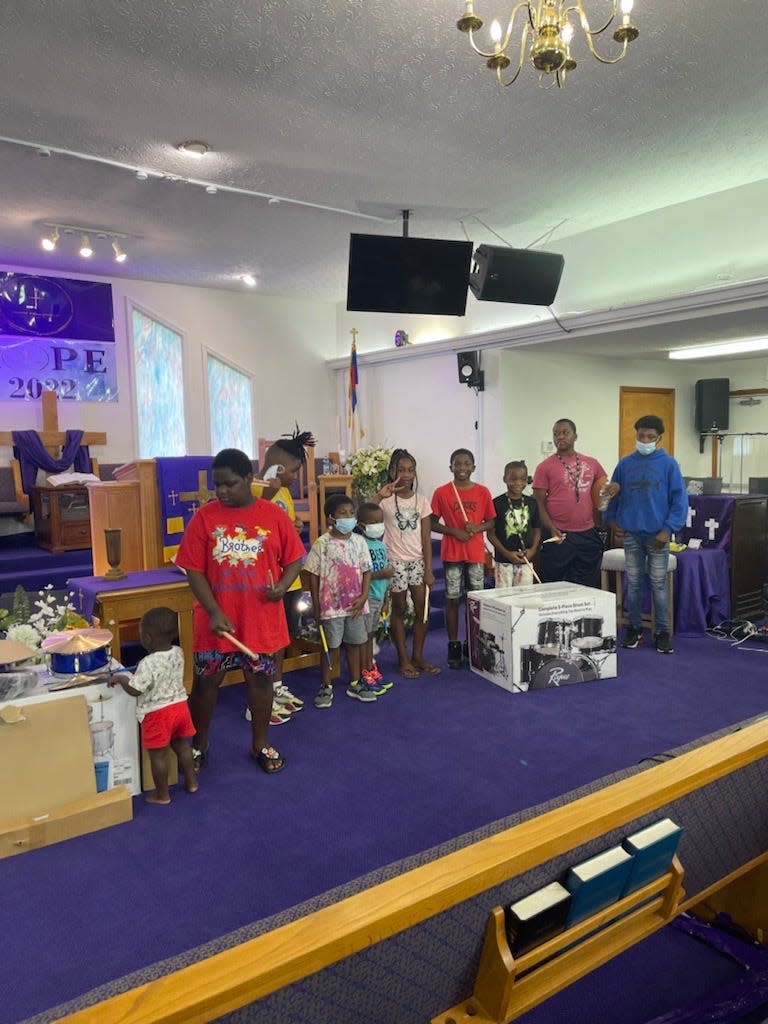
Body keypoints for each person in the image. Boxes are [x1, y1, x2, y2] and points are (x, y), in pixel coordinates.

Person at [175, 448, 305, 775]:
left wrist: (282, 586)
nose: (221, 492)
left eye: (230, 484)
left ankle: (260, 743)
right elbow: (193, 569)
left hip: (260, 620)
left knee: (261, 683)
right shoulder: (205, 517)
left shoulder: (273, 515)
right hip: (215, 621)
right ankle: (199, 744)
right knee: (206, 685)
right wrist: (213, 610)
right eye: (218, 485)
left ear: (249, 479)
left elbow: (294, 558)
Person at [603, 415, 687, 654]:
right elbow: (612, 493)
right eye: (642, 435)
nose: (646, 440)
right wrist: (611, 521)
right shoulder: (625, 464)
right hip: (632, 534)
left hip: (658, 536)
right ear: (636, 435)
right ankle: (634, 628)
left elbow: (679, 501)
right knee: (635, 584)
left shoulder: (669, 464)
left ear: (659, 439)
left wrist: (667, 529)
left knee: (659, 585)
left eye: (651, 437)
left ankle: (661, 632)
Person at [250, 425, 316, 725]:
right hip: (267, 579)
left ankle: (276, 687)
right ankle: (258, 699)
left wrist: (295, 527)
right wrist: (271, 487)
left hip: (289, 576)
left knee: (281, 637)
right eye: (292, 471)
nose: (294, 476)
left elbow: (282, 524)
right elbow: (253, 519)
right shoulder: (254, 489)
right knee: (264, 641)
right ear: (276, 467)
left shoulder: (286, 493)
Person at [109, 606, 197, 805]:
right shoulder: (178, 652)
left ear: (147, 637)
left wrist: (121, 679)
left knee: (158, 755)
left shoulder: (147, 663)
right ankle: (192, 782)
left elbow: (135, 690)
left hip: (158, 713)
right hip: (181, 707)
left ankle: (162, 795)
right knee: (183, 747)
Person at [373, 448, 439, 678]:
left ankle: (418, 655)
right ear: (392, 472)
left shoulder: (422, 501)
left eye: (410, 470)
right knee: (399, 609)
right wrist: (379, 496)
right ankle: (403, 658)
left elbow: (427, 540)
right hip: (396, 562)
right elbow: (365, 516)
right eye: (401, 470)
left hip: (418, 562)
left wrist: (429, 569)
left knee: (423, 611)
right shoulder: (386, 501)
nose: (407, 474)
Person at [304, 492, 373, 708]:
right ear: (331, 518)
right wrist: (316, 604)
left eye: (351, 513)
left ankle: (355, 682)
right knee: (330, 647)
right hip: (330, 606)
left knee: (355, 644)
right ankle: (326, 685)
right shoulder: (322, 544)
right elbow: (313, 575)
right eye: (343, 513)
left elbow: (366, 570)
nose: (349, 518)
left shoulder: (360, 542)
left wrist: (364, 596)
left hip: (355, 605)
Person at [431, 448, 495, 669]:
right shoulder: (442, 492)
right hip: (452, 553)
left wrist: (476, 527)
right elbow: (431, 522)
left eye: (466, 464)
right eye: (457, 464)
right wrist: (453, 531)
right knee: (451, 599)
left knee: (474, 601)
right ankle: (453, 644)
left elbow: (491, 522)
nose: (462, 468)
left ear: (473, 467)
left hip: (475, 554)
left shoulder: (483, 492)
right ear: (451, 467)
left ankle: (472, 643)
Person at [532, 419, 608, 589]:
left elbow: (603, 492)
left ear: (575, 436)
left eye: (565, 432)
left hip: (587, 532)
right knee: (554, 586)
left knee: (586, 584)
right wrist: (551, 529)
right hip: (558, 533)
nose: (560, 437)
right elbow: (538, 503)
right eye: (556, 433)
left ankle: (583, 616)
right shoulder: (544, 467)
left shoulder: (592, 463)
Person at [355, 502, 394, 694]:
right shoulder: (359, 544)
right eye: (373, 522)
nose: (378, 525)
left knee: (370, 635)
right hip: (367, 596)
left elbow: (385, 571)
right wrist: (381, 575)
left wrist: (386, 597)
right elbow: (360, 574)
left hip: (379, 595)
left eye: (380, 521)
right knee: (364, 637)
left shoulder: (381, 545)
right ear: (361, 525)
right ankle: (364, 672)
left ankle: (370, 668)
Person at [489, 461, 542, 587]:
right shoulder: (496, 503)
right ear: (504, 479)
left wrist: (533, 550)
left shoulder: (532, 503)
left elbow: (537, 529)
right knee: (503, 598)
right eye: (513, 479)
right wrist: (506, 553)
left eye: (522, 479)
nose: (518, 483)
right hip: (503, 561)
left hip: (526, 560)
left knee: (523, 599)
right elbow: (491, 534)